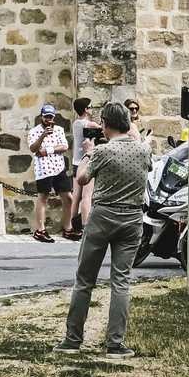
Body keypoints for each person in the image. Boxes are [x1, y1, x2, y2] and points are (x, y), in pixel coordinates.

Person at [57, 103, 151, 355]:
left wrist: (88, 152)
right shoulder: (144, 149)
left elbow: (82, 179)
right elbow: (145, 157)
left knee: (85, 280)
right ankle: (115, 343)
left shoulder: (103, 151)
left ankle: (73, 339)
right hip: (132, 218)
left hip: (103, 215)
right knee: (121, 282)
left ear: (106, 124)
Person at [28, 103, 71, 243]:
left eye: (51, 117)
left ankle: (67, 228)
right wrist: (42, 136)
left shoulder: (59, 130)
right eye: (46, 117)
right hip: (44, 169)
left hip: (58, 167)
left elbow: (64, 146)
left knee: (68, 197)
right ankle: (40, 230)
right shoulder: (34, 131)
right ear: (41, 117)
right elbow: (34, 149)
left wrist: (48, 150)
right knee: (43, 197)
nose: (49, 120)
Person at [63, 98, 102, 240]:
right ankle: (86, 226)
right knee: (87, 196)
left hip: (75, 162)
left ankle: (72, 227)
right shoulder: (90, 124)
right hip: (86, 162)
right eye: (90, 107)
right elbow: (104, 131)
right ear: (86, 109)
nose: (92, 109)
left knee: (76, 196)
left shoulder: (76, 124)